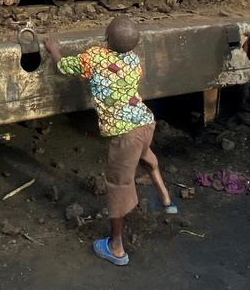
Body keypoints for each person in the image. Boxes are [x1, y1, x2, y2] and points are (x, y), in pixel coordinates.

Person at [43, 16, 175, 266]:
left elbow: (64, 67)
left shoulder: (93, 57)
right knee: (146, 156)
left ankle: (115, 248)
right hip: (146, 121)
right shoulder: (134, 60)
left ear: (106, 38)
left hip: (125, 133)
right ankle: (166, 199)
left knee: (118, 186)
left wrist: (55, 51)